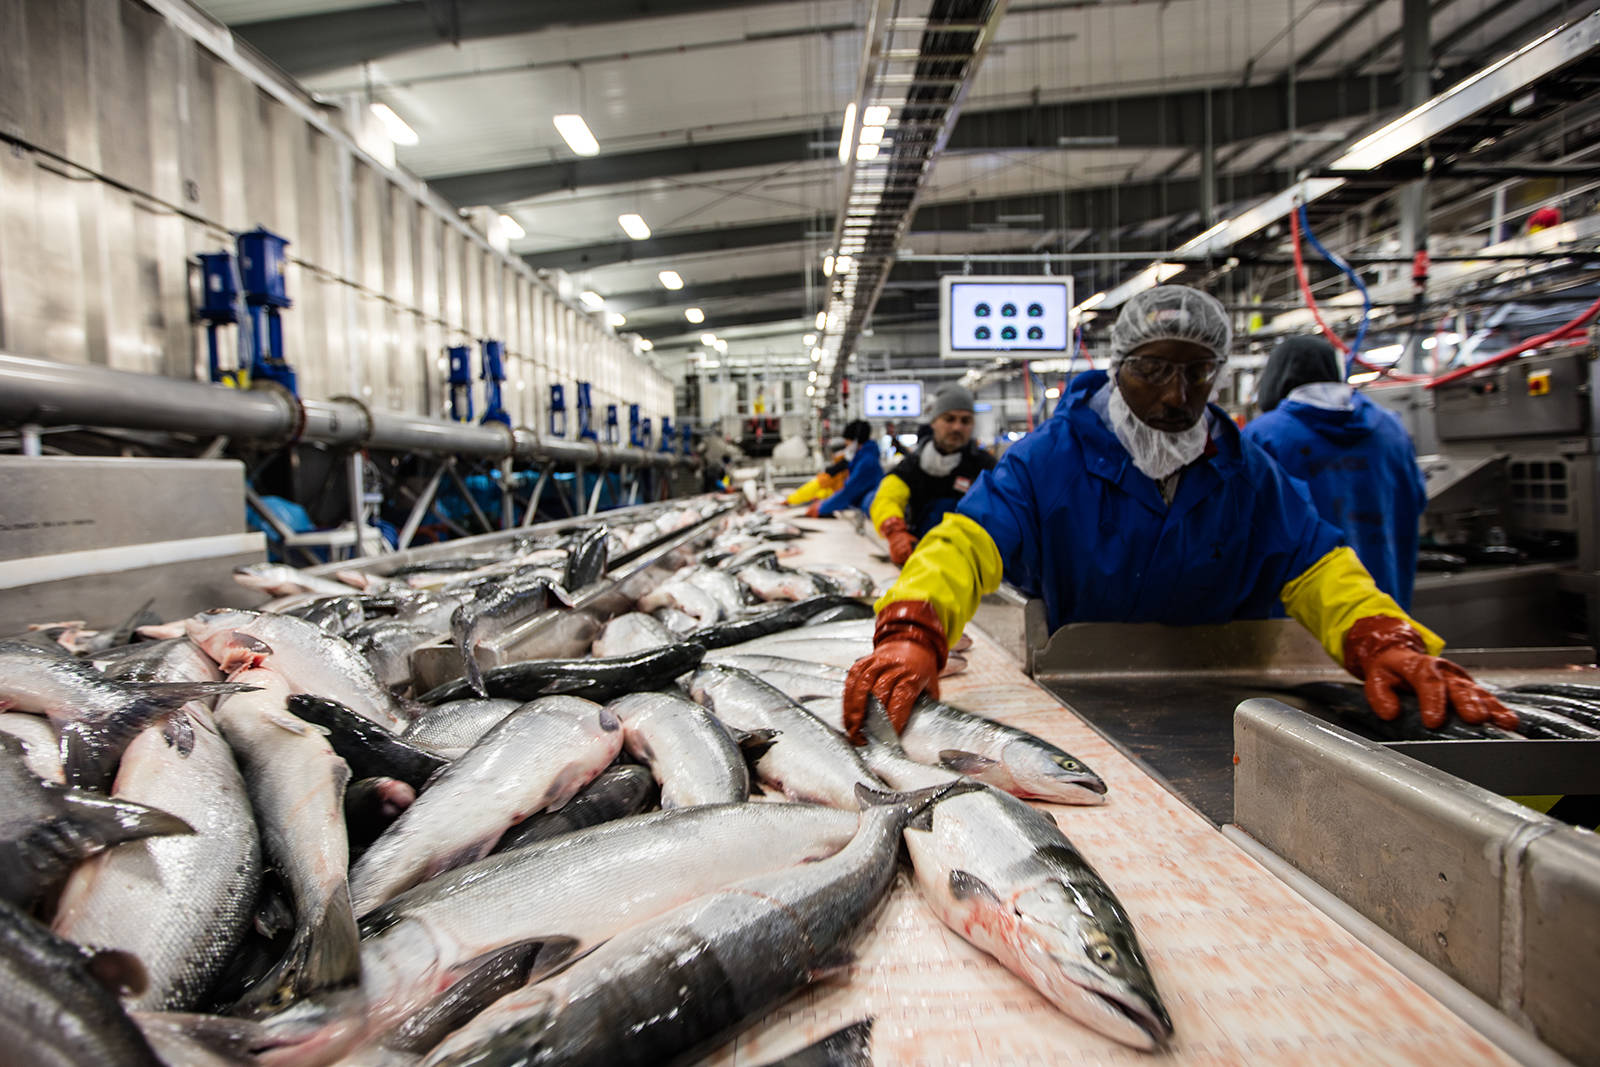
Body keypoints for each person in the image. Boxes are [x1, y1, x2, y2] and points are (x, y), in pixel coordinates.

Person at [842, 285, 1513, 741]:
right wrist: (914, 629)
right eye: (1155, 369)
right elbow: (967, 541)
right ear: (1118, 364)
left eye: (1197, 373)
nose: (1176, 395)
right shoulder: (1049, 460)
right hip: (1082, 693)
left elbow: (1319, 565)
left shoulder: (1246, 471)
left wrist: (1386, 640)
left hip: (1229, 703)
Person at [1244, 336, 1427, 608]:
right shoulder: (1391, 429)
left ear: (1275, 377)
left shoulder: (1264, 437)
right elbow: (1416, 500)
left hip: (1300, 619)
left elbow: (1242, 531)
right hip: (1385, 603)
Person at [870, 384, 996, 565]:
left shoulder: (985, 467)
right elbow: (887, 498)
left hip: (967, 561)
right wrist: (895, 532)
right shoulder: (913, 465)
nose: (957, 427)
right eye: (949, 419)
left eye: (965, 421)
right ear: (934, 421)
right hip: (918, 556)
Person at [806, 420, 882, 518]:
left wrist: (821, 508)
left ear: (855, 441)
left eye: (847, 442)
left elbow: (849, 492)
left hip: (873, 507)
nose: (846, 446)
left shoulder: (867, 462)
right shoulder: (861, 459)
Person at [787, 440, 850, 506]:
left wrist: (790, 499)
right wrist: (819, 496)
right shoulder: (848, 464)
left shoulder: (837, 468)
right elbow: (831, 490)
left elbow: (813, 487)